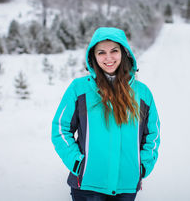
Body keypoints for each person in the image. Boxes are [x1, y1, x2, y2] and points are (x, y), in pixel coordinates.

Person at [52, 27, 160, 201]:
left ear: (124, 53)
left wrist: (142, 166)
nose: (108, 58)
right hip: (87, 187)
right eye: (101, 52)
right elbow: (60, 129)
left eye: (114, 51)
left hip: (126, 187)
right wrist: (78, 163)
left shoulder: (143, 94)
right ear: (93, 56)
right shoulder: (79, 89)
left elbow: (152, 136)